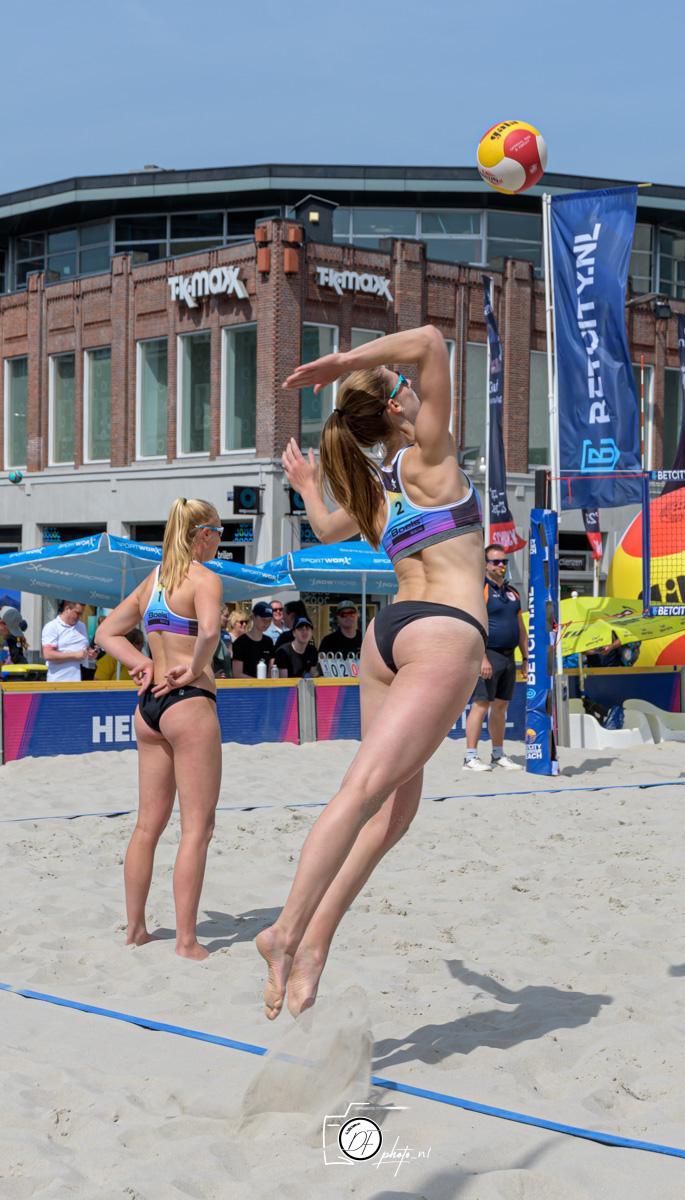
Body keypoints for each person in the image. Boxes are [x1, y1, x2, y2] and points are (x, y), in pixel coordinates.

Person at [256, 322, 487, 1020]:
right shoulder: (427, 458)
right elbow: (432, 341)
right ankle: (285, 931)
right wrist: (348, 362)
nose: (416, 388)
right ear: (393, 404)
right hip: (443, 633)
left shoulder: (378, 489)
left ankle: (314, 944)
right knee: (362, 795)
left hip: (388, 639)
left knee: (392, 811)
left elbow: (327, 529)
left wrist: (307, 486)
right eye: (404, 385)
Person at [95, 497, 223, 960]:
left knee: (147, 825)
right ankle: (186, 941)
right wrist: (194, 668)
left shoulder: (154, 581)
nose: (220, 542)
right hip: (188, 703)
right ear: (202, 534)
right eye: (219, 533)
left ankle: (135, 930)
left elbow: (105, 632)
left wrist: (142, 661)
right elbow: (209, 632)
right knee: (197, 829)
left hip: (149, 707)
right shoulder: (204, 579)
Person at [463, 545, 527, 771]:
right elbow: (473, 625)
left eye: (504, 562)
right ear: (485, 565)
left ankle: (497, 754)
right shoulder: (480, 589)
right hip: (488, 653)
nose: (501, 565)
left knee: (501, 706)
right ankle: (470, 757)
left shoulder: (513, 592)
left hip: (509, 656)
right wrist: (481, 657)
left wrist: (526, 658)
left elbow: (520, 627)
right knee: (480, 704)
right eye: (496, 562)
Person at [41, 601, 98, 682]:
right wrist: (74, 655)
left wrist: (91, 654)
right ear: (67, 609)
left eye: (81, 614)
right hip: (60, 681)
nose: (80, 617)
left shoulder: (82, 626)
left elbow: (85, 649)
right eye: (77, 613)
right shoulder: (52, 626)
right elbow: (48, 654)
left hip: (82, 679)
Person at [232, 601, 273, 678]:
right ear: (253, 617)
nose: (266, 623)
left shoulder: (268, 642)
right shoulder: (240, 643)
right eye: (263, 619)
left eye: (269, 620)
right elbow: (237, 674)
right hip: (246, 685)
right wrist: (257, 683)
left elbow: (271, 670)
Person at [212, 603, 234, 678]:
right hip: (214, 682)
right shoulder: (209, 637)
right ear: (217, 615)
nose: (228, 619)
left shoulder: (225, 635)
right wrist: (213, 676)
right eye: (226, 616)